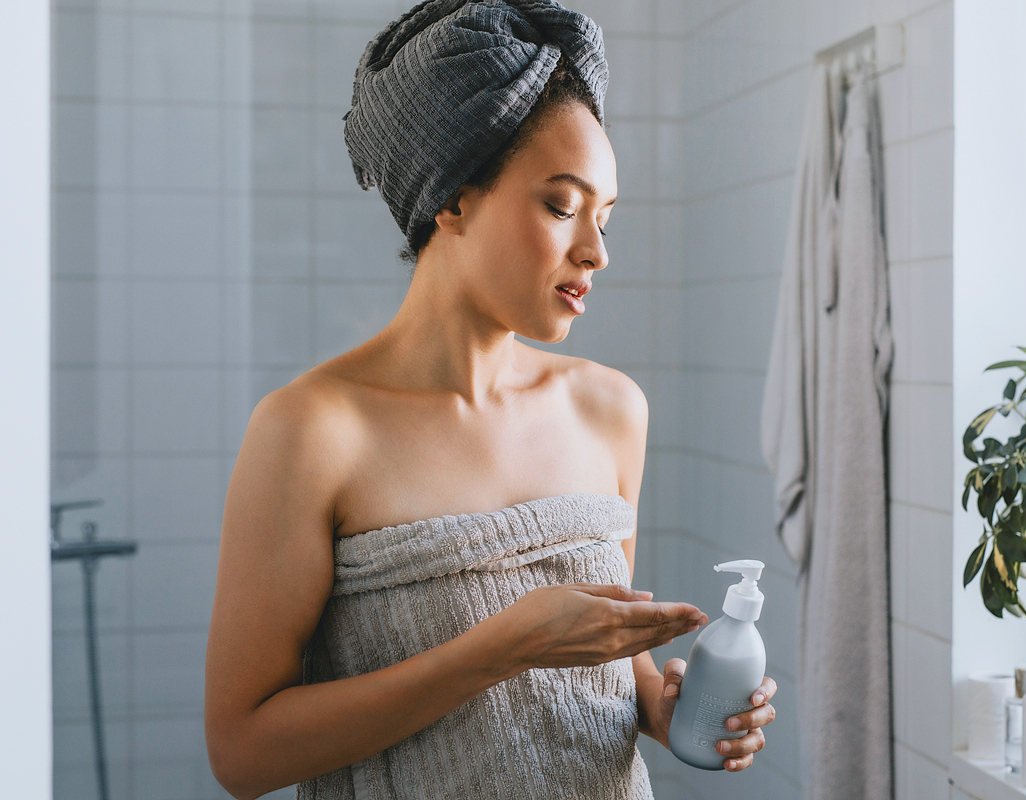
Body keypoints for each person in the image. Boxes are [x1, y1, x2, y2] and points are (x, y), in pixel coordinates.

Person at [203, 2, 776, 798]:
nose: (597, 252)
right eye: (561, 205)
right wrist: (501, 647)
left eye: (605, 219)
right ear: (453, 197)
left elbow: (604, 667)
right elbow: (242, 752)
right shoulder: (312, 432)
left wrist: (671, 709)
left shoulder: (611, 412)